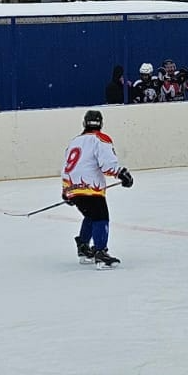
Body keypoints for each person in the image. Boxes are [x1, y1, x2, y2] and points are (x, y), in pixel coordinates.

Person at [61, 109, 133, 268]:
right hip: (91, 188)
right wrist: (121, 173)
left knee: (91, 215)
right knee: (101, 217)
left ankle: (84, 247)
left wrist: (66, 190)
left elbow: (66, 167)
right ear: (100, 123)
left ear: (84, 123)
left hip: (73, 187)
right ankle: (101, 252)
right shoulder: (101, 139)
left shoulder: (74, 141)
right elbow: (107, 164)